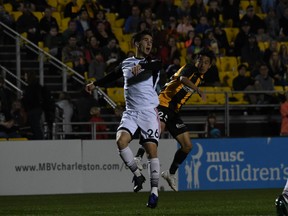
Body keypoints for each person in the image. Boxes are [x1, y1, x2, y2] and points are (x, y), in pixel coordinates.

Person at [85, 30, 161, 208]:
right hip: (131, 112)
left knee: (151, 151)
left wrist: (142, 67)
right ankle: (137, 175)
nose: (149, 44)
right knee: (120, 141)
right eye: (145, 40)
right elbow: (112, 76)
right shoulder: (126, 63)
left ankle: (154, 192)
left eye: (151, 41)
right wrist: (95, 83)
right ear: (136, 43)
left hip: (148, 112)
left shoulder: (153, 62)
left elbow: (157, 66)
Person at [134, 48, 216, 192]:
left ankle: (170, 174)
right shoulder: (190, 68)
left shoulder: (200, 78)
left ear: (210, 66)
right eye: (200, 60)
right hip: (163, 102)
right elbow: (182, 79)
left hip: (174, 111)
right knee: (158, 129)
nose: (202, 64)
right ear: (196, 60)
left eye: (206, 62)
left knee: (187, 146)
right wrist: (198, 89)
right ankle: (138, 157)